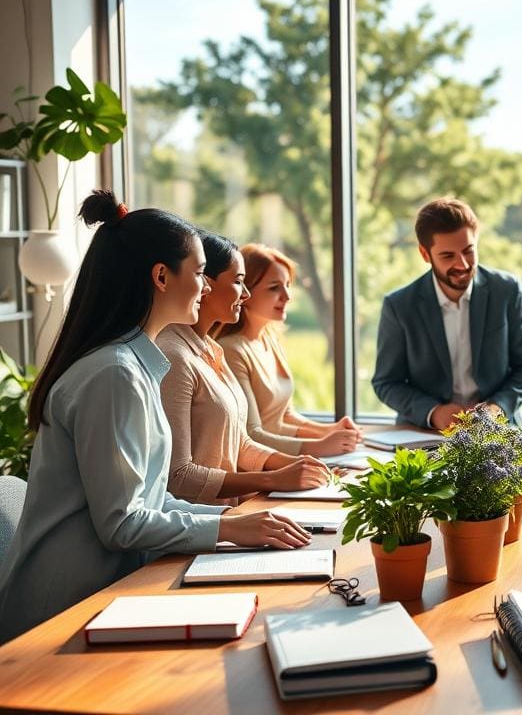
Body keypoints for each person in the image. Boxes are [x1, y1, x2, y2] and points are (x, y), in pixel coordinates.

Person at [0, 192, 311, 644]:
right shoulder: (114, 374)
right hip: (61, 613)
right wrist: (227, 527)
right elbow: (123, 523)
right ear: (162, 276)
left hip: (109, 591)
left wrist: (232, 520)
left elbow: (151, 499)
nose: (207, 288)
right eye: (200, 273)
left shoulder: (135, 366)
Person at [159, 232, 335, 506]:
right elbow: (178, 476)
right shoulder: (174, 355)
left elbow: (239, 442)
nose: (246, 293)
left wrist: (301, 465)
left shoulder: (211, 349)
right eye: (239, 281)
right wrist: (272, 479)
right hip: (202, 522)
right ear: (205, 283)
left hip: (230, 514)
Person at [372, 197, 522, 429]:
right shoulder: (399, 306)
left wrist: (497, 408)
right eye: (448, 256)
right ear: (425, 254)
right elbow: (386, 382)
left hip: (498, 430)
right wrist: (433, 413)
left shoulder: (508, 290)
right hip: (424, 432)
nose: (462, 264)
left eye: (468, 251)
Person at [217, 244, 361, 456]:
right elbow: (252, 435)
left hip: (280, 453)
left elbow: (284, 416)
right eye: (274, 287)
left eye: (287, 285)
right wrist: (320, 446)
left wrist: (330, 430)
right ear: (245, 292)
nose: (287, 296)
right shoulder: (230, 351)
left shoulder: (270, 339)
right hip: (262, 462)